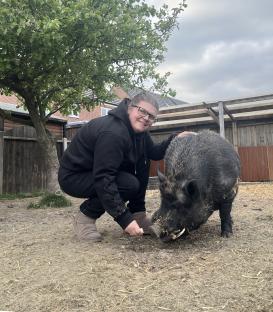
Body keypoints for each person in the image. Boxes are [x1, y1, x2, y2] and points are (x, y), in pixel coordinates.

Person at [58, 92, 186, 242]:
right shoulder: (113, 132)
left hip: (96, 173)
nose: (146, 118)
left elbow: (154, 152)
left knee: (144, 160)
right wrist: (124, 219)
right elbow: (104, 178)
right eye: (143, 111)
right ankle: (85, 218)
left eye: (151, 117)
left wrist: (175, 138)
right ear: (130, 108)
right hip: (74, 176)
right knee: (128, 184)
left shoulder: (139, 133)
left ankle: (138, 214)